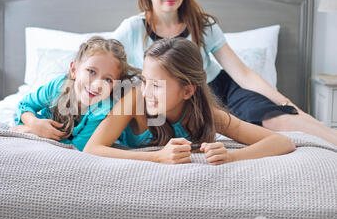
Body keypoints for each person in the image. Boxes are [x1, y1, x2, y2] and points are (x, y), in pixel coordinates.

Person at [111, 0, 337, 146]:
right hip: (177, 98)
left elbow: (243, 74)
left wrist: (286, 103)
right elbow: (99, 65)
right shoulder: (131, 30)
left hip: (221, 89)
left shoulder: (202, 24)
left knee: (281, 119)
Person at [84, 38, 296, 164]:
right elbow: (92, 148)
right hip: (85, 113)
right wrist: (158, 157)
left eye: (156, 85)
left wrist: (233, 157)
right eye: (145, 81)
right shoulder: (135, 98)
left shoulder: (206, 115)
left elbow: (282, 142)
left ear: (187, 91)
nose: (146, 91)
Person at [11, 36, 140, 151]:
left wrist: (32, 131)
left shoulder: (102, 110)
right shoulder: (58, 86)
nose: (97, 84)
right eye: (91, 71)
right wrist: (34, 123)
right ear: (74, 70)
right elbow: (24, 104)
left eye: (108, 79)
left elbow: (77, 148)